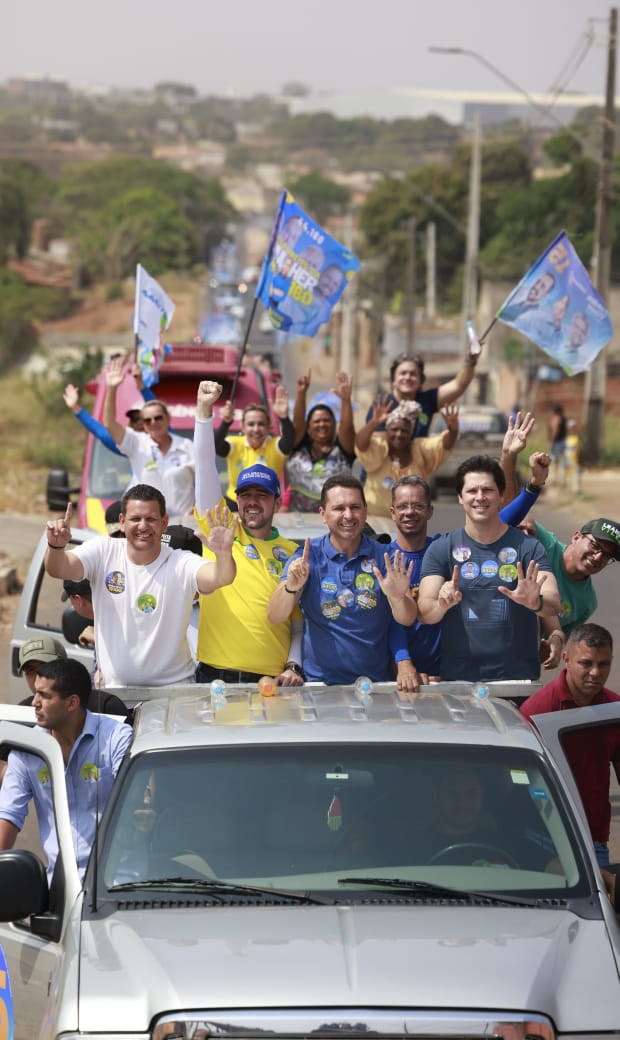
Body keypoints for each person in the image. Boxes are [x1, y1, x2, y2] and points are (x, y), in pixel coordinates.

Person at [389, 443, 554, 692]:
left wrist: (536, 603)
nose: (480, 497)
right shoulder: (442, 549)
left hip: (518, 681)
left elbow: (553, 600)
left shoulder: (528, 547)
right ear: (460, 497)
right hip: (458, 682)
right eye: (472, 490)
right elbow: (424, 612)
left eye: (487, 490)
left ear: (501, 495)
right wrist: (441, 605)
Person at [44, 484, 236, 687]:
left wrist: (223, 555)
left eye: (151, 519)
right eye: (135, 519)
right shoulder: (103, 551)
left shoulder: (180, 562)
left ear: (164, 523)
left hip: (172, 695)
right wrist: (56, 546)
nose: (143, 526)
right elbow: (59, 569)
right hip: (115, 693)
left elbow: (220, 577)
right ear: (122, 522)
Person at [194, 380, 304, 686]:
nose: (252, 502)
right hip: (213, 680)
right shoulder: (221, 527)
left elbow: (297, 622)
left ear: (277, 500)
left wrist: (294, 665)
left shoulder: (291, 551)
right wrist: (204, 412)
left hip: (270, 684)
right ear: (236, 499)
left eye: (262, 494)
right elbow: (203, 465)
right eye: (245, 495)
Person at [268, 474, 416, 685]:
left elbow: (407, 618)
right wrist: (291, 587)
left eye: (355, 507)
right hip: (319, 687)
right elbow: (275, 615)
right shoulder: (307, 557)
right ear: (323, 514)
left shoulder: (386, 557)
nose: (348, 515)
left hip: (375, 687)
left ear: (365, 511)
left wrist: (398, 597)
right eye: (339, 508)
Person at [0, 657, 132, 881]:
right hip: (63, 890)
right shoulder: (26, 750)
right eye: (36, 693)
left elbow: (135, 804)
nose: (34, 702)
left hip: (120, 882)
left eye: (45, 696)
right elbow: (8, 816)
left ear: (71, 703)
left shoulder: (116, 738)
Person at [520, 624, 620, 869]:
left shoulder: (614, 709)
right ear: (566, 659)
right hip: (541, 839)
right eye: (586, 663)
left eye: (603, 664)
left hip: (593, 839)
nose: (595, 673)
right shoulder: (536, 712)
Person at [103, 356, 195, 522]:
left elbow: (204, 481)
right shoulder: (136, 443)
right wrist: (111, 389)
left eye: (158, 418)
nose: (153, 423)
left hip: (183, 524)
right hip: (147, 524)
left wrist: (200, 507)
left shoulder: (187, 446)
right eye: (147, 420)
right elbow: (109, 424)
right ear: (143, 425)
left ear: (168, 419)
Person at [518, 515, 620, 638]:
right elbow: (518, 516)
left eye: (607, 556)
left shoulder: (587, 603)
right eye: (595, 545)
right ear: (576, 537)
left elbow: (557, 642)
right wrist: (523, 517)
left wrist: (554, 644)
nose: (598, 557)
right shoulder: (544, 542)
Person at [354, 398, 459, 516]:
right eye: (394, 430)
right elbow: (360, 443)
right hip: (374, 521)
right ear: (387, 431)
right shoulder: (379, 447)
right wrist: (374, 422)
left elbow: (443, 445)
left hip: (410, 521)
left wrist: (453, 430)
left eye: (404, 431)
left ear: (411, 433)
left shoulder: (420, 448)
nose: (399, 434)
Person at [367, 346, 479, 440]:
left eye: (413, 374)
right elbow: (377, 444)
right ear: (393, 380)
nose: (408, 377)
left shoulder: (427, 400)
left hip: (415, 465)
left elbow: (459, 385)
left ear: (421, 380)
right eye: (403, 373)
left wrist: (470, 361)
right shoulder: (382, 406)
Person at [284, 369, 355, 512]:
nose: (322, 424)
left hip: (334, 519)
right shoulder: (298, 446)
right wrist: (301, 392)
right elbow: (298, 423)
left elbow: (347, 428)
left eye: (327, 421)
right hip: (298, 522)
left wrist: (346, 400)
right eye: (317, 421)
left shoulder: (343, 449)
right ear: (308, 426)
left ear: (334, 424)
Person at [214, 388, 294, 509]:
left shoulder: (275, 446)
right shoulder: (235, 443)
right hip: (235, 503)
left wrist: (284, 417)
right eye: (251, 424)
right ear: (242, 427)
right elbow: (217, 446)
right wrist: (225, 422)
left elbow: (289, 441)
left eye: (261, 424)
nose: (256, 429)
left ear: (269, 427)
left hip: (266, 505)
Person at [279, 262, 345, 337]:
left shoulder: (328, 312)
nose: (330, 284)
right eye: (328, 277)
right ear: (320, 275)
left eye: (335, 284)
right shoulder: (296, 294)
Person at [548, 404, 567, 483]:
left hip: (556, 442)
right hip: (562, 441)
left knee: (553, 461)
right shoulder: (564, 418)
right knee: (562, 460)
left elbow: (555, 430)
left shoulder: (556, 419)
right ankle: (563, 479)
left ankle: (553, 479)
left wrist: (551, 442)